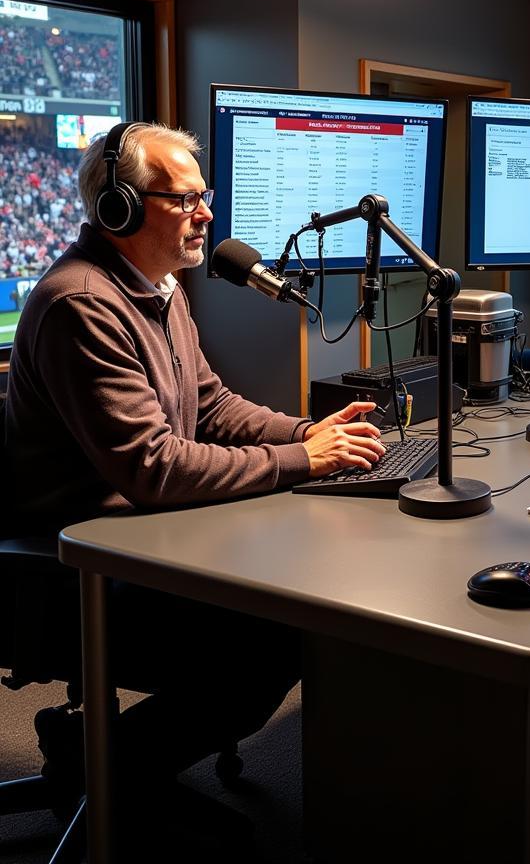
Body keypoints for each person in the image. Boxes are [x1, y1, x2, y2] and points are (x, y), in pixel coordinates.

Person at [3, 123, 389, 842]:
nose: (206, 215)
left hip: (147, 537)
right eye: (184, 200)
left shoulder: (160, 287)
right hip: (77, 570)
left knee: (284, 610)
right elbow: (154, 466)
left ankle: (107, 756)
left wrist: (304, 431)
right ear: (119, 209)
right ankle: (100, 764)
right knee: (268, 639)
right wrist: (307, 461)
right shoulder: (81, 303)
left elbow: (211, 405)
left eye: (203, 197)